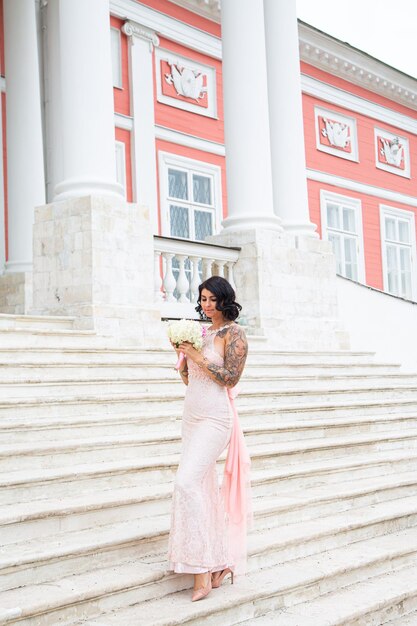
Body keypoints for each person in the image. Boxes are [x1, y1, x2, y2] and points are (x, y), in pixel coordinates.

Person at [168, 275, 251, 602]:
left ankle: (202, 570)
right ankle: (218, 563)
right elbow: (190, 380)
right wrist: (183, 356)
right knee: (199, 486)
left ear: (224, 300)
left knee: (185, 483)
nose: (206, 305)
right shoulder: (202, 332)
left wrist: (199, 356)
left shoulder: (235, 334)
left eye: (212, 300)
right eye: (202, 299)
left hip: (216, 418)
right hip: (192, 415)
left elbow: (230, 378)